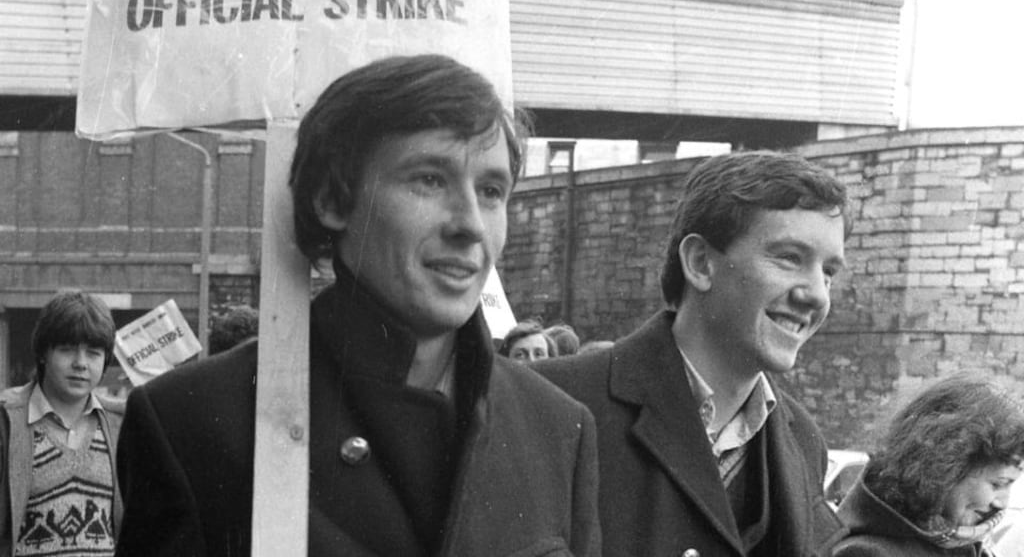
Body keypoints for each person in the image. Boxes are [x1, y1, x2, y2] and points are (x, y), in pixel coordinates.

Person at [114, 55, 600, 557]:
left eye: (492, 191)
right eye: (429, 179)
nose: (471, 224)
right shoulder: (195, 423)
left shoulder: (559, 428)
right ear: (333, 200)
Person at [536, 150, 850, 556]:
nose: (816, 295)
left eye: (828, 272)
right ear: (701, 263)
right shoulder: (552, 403)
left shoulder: (805, 441)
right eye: (790, 258)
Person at [833, 372, 1024, 557]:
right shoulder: (867, 552)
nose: (1003, 502)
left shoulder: (956, 542)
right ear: (947, 468)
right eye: (998, 484)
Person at [0, 290, 123, 556]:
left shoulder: (120, 425)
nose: (80, 364)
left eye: (93, 353)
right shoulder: (7, 422)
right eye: (67, 350)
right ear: (43, 353)